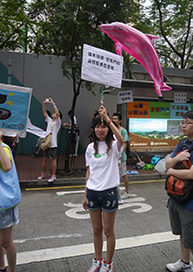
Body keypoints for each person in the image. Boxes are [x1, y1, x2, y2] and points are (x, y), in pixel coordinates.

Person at [165, 111, 193, 272]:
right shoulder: (182, 144)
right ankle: (185, 263)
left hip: (191, 201)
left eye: (187, 122)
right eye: (182, 122)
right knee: (183, 234)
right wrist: (177, 158)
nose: (183, 125)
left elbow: (192, 174)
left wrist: (171, 171)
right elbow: (167, 163)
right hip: (176, 197)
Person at [82, 105, 124, 272]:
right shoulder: (90, 148)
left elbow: (121, 139)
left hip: (109, 193)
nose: (100, 129)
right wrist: (85, 195)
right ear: (93, 129)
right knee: (96, 230)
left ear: (108, 128)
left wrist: (108, 119)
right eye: (97, 126)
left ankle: (108, 263)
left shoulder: (114, 146)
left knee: (108, 231)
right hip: (92, 193)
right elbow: (89, 172)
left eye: (103, 126)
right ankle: (97, 261)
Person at [0, 131, 21, 272]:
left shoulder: (4, 148)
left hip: (4, 202)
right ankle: (1, 267)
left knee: (6, 242)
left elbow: (7, 166)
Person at [37, 98, 62, 182]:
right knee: (44, 159)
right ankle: (42, 173)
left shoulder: (57, 122)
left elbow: (58, 113)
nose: (54, 113)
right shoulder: (50, 121)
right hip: (46, 142)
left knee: (52, 159)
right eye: (53, 113)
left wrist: (53, 103)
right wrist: (44, 104)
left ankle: (53, 175)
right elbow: (44, 113)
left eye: (55, 113)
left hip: (53, 143)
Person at [112, 112, 130, 199]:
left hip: (121, 157)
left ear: (120, 121)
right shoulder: (111, 129)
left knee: (123, 173)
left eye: (115, 119)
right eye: (113, 118)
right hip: (113, 157)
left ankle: (127, 191)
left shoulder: (123, 131)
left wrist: (119, 153)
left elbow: (125, 144)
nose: (113, 120)